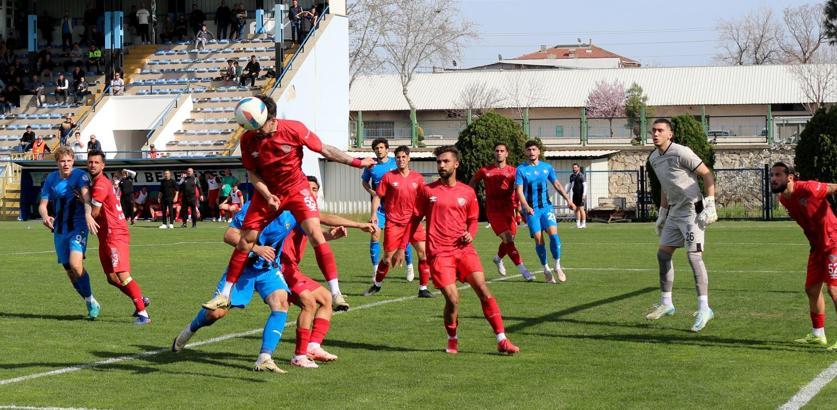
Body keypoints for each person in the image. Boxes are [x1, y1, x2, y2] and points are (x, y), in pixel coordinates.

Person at [200, 94, 375, 313]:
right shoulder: (248, 139)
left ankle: (336, 292)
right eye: (252, 128)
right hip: (269, 194)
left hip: (296, 189)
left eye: (259, 127)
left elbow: (325, 149)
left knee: (315, 233)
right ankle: (224, 295)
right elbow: (252, 173)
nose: (256, 132)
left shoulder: (293, 129)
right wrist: (266, 194)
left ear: (272, 118)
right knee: (246, 240)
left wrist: (357, 162)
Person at [396, 146, 520, 355]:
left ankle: (502, 339)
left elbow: (472, 220)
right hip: (439, 254)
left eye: (445, 161)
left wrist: (471, 233)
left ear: (456, 164)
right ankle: (452, 337)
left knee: (483, 290)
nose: (441, 165)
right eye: (439, 162)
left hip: (464, 250)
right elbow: (414, 219)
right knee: (453, 300)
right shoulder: (427, 191)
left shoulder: (467, 192)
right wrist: (401, 247)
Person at [171, 200, 293, 372]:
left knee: (281, 302)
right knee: (215, 313)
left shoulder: (292, 209)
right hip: (242, 270)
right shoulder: (254, 206)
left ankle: (264, 357)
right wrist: (257, 249)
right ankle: (189, 330)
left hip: (268, 270)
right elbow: (229, 235)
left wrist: (334, 231)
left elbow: (315, 222)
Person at [646, 118, 718, 332]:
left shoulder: (681, 152)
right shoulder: (653, 159)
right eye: (653, 130)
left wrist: (711, 203)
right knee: (663, 255)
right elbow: (666, 187)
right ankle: (667, 303)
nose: (655, 134)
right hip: (674, 212)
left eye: (660, 130)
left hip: (691, 210)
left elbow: (707, 174)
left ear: (670, 134)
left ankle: (705, 308)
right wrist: (662, 214)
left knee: (694, 257)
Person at [770, 163, 837, 349]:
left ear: (790, 177)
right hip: (816, 247)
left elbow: (833, 188)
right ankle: (818, 334)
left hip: (833, 242)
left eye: (777, 175)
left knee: (834, 290)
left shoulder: (808, 187)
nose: (773, 179)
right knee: (812, 289)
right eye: (772, 175)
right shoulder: (784, 199)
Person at [85, 150, 151, 325]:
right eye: (90, 162)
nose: (92, 165)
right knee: (111, 278)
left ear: (103, 165)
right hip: (105, 235)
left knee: (122, 274)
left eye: (96, 162)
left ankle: (143, 314)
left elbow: (95, 212)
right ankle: (139, 298)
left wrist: (84, 208)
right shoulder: (99, 183)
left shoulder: (100, 184)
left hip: (115, 233)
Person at [38, 146, 100, 320]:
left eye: (68, 160)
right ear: (57, 162)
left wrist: (88, 214)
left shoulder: (80, 176)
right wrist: (45, 217)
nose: (66, 164)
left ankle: (89, 301)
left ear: (73, 161)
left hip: (78, 226)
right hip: (59, 229)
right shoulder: (51, 179)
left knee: (75, 264)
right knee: (69, 271)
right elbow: (43, 205)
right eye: (62, 161)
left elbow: (87, 199)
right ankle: (90, 301)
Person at [364, 145, 432, 298]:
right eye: (398, 157)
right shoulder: (389, 177)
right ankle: (377, 285)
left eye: (403, 157)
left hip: (414, 223)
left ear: (408, 158)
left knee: (424, 254)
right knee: (388, 258)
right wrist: (374, 213)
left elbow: (424, 197)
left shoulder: (418, 178)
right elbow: (378, 196)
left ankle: (423, 288)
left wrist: (425, 213)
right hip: (394, 223)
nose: (401, 160)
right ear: (395, 160)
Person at [515, 140, 576, 283]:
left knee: (554, 236)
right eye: (529, 149)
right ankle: (546, 268)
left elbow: (557, 184)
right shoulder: (521, 169)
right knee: (539, 240)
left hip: (546, 208)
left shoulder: (547, 167)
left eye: (534, 149)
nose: (531, 152)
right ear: (525, 152)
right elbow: (519, 191)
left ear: (539, 152)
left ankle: (557, 265)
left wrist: (568, 200)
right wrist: (526, 206)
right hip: (531, 211)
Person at [470, 142, 531, 279]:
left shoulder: (514, 171)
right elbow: (473, 181)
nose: (499, 153)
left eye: (502, 151)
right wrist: (470, 196)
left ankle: (498, 258)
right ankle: (524, 270)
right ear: (494, 153)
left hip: (509, 209)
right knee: (508, 239)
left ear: (506, 153)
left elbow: (520, 188)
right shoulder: (485, 171)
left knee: (510, 239)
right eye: (497, 150)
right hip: (493, 210)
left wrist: (520, 204)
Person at [362, 138, 415, 282]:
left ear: (386, 149)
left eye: (381, 147)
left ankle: (409, 266)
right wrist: (372, 192)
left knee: (403, 238)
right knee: (374, 235)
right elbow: (364, 182)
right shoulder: (371, 166)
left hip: (396, 208)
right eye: (376, 148)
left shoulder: (395, 162)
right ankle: (375, 270)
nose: (379, 150)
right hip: (379, 208)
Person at [568, 163, 587, 228]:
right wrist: (566, 192)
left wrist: (584, 194)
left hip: (580, 195)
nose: (574, 169)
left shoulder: (581, 175)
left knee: (581, 209)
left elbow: (585, 185)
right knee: (576, 209)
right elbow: (570, 185)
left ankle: (584, 224)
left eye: (575, 167)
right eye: (573, 168)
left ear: (578, 168)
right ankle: (578, 224)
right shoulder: (572, 176)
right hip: (575, 195)